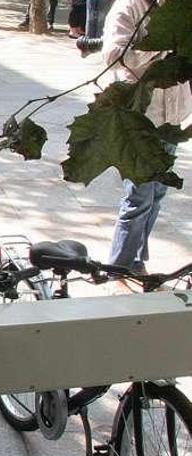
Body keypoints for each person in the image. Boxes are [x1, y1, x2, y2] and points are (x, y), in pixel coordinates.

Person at [102, 0, 192, 275]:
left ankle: (136, 258)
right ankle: (119, 267)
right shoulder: (128, 8)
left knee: (157, 193)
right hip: (140, 118)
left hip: (172, 117)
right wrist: (160, 46)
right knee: (138, 196)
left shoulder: (179, 10)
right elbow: (113, 54)